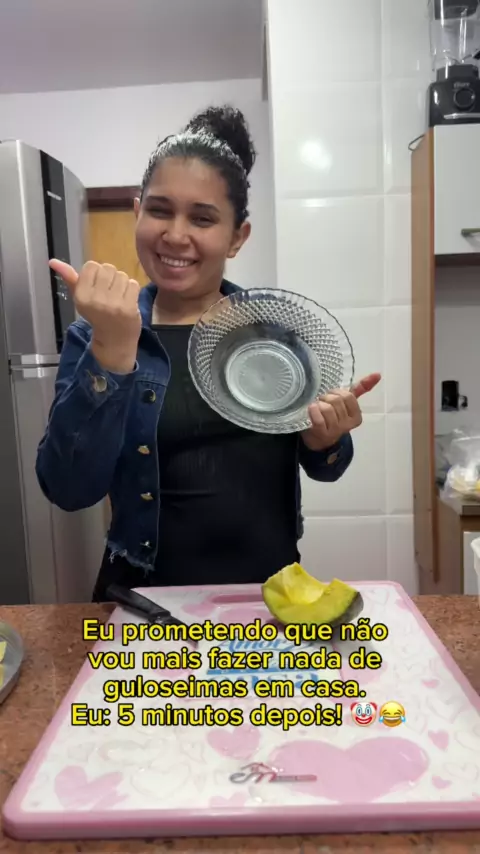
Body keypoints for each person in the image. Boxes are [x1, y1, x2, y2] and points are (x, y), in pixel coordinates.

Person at [35, 105, 381, 602]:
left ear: (237, 237)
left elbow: (328, 466)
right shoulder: (96, 335)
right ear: (137, 213)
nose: (176, 235)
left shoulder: (275, 336)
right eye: (160, 210)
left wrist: (324, 438)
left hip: (265, 598)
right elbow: (68, 490)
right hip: (141, 603)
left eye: (202, 218)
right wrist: (111, 352)